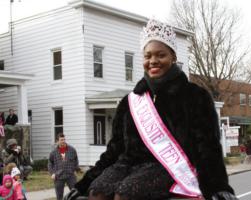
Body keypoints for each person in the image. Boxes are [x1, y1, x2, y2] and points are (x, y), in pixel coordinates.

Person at [64, 19, 237, 200]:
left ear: (173, 57)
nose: (153, 61)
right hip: (126, 166)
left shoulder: (195, 96)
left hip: (167, 167)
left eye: (160, 55)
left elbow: (208, 148)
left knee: (126, 195)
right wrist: (83, 185)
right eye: (147, 56)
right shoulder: (129, 101)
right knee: (97, 191)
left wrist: (218, 187)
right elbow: (113, 151)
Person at [48, 133, 79, 200]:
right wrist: (52, 173)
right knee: (59, 196)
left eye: (64, 139)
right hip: (58, 176)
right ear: (57, 141)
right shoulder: (53, 152)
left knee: (75, 193)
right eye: (61, 140)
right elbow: (50, 163)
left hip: (70, 175)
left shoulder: (72, 150)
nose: (63, 141)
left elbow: (76, 160)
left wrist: (75, 169)